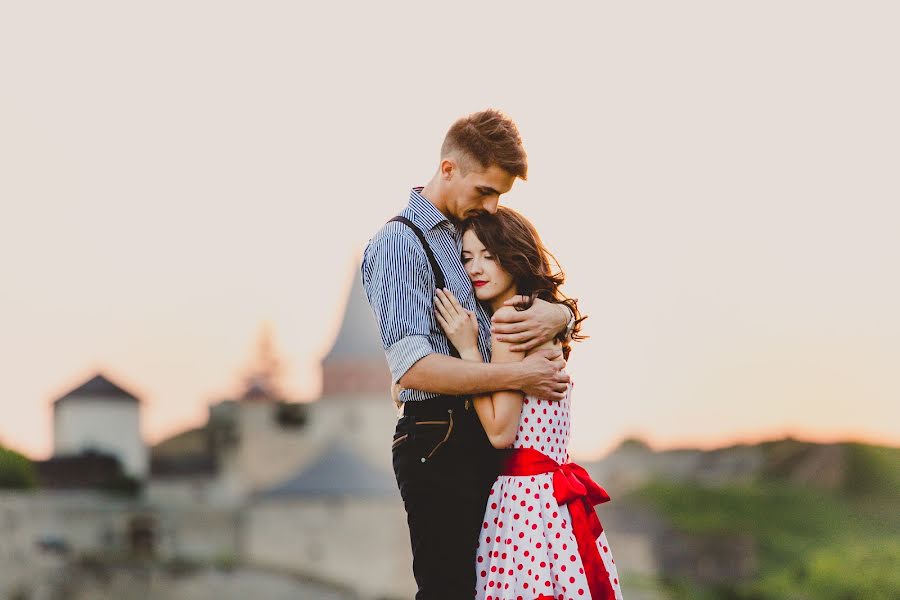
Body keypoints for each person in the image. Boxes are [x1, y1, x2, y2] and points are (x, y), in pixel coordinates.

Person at [361, 109, 577, 600]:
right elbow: (414, 367)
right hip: (439, 436)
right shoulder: (400, 242)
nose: (492, 204)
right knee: (449, 590)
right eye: (485, 190)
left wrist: (559, 314)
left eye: (500, 194)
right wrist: (522, 374)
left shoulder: (470, 236)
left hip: (483, 434)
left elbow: (519, 284)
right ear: (449, 169)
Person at [427, 207, 625, 599]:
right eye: (467, 258)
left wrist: (468, 350)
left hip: (522, 504)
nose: (476, 268)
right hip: (555, 502)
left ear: (513, 254)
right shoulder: (538, 316)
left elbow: (501, 432)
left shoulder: (507, 321)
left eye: (489, 255)